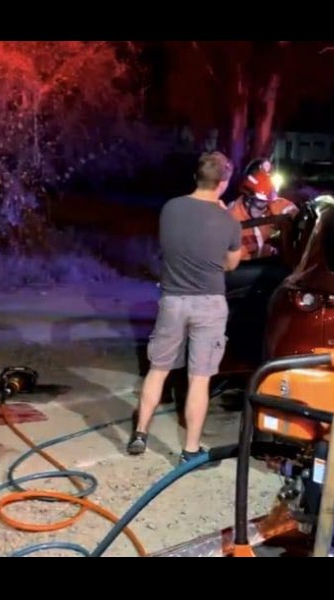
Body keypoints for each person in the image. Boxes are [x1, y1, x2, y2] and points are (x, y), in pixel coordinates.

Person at [127, 152, 242, 465]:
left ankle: (140, 433)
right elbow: (232, 264)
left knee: (158, 370)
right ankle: (190, 450)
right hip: (209, 304)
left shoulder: (171, 208)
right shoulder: (228, 221)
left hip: (172, 301)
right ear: (223, 183)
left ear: (197, 177)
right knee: (199, 378)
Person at [227, 162, 298, 261]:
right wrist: (262, 252)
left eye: (267, 202)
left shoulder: (270, 204)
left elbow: (290, 209)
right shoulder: (231, 218)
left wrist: (297, 217)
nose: (265, 207)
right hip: (245, 267)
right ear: (248, 199)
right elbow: (233, 260)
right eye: (260, 203)